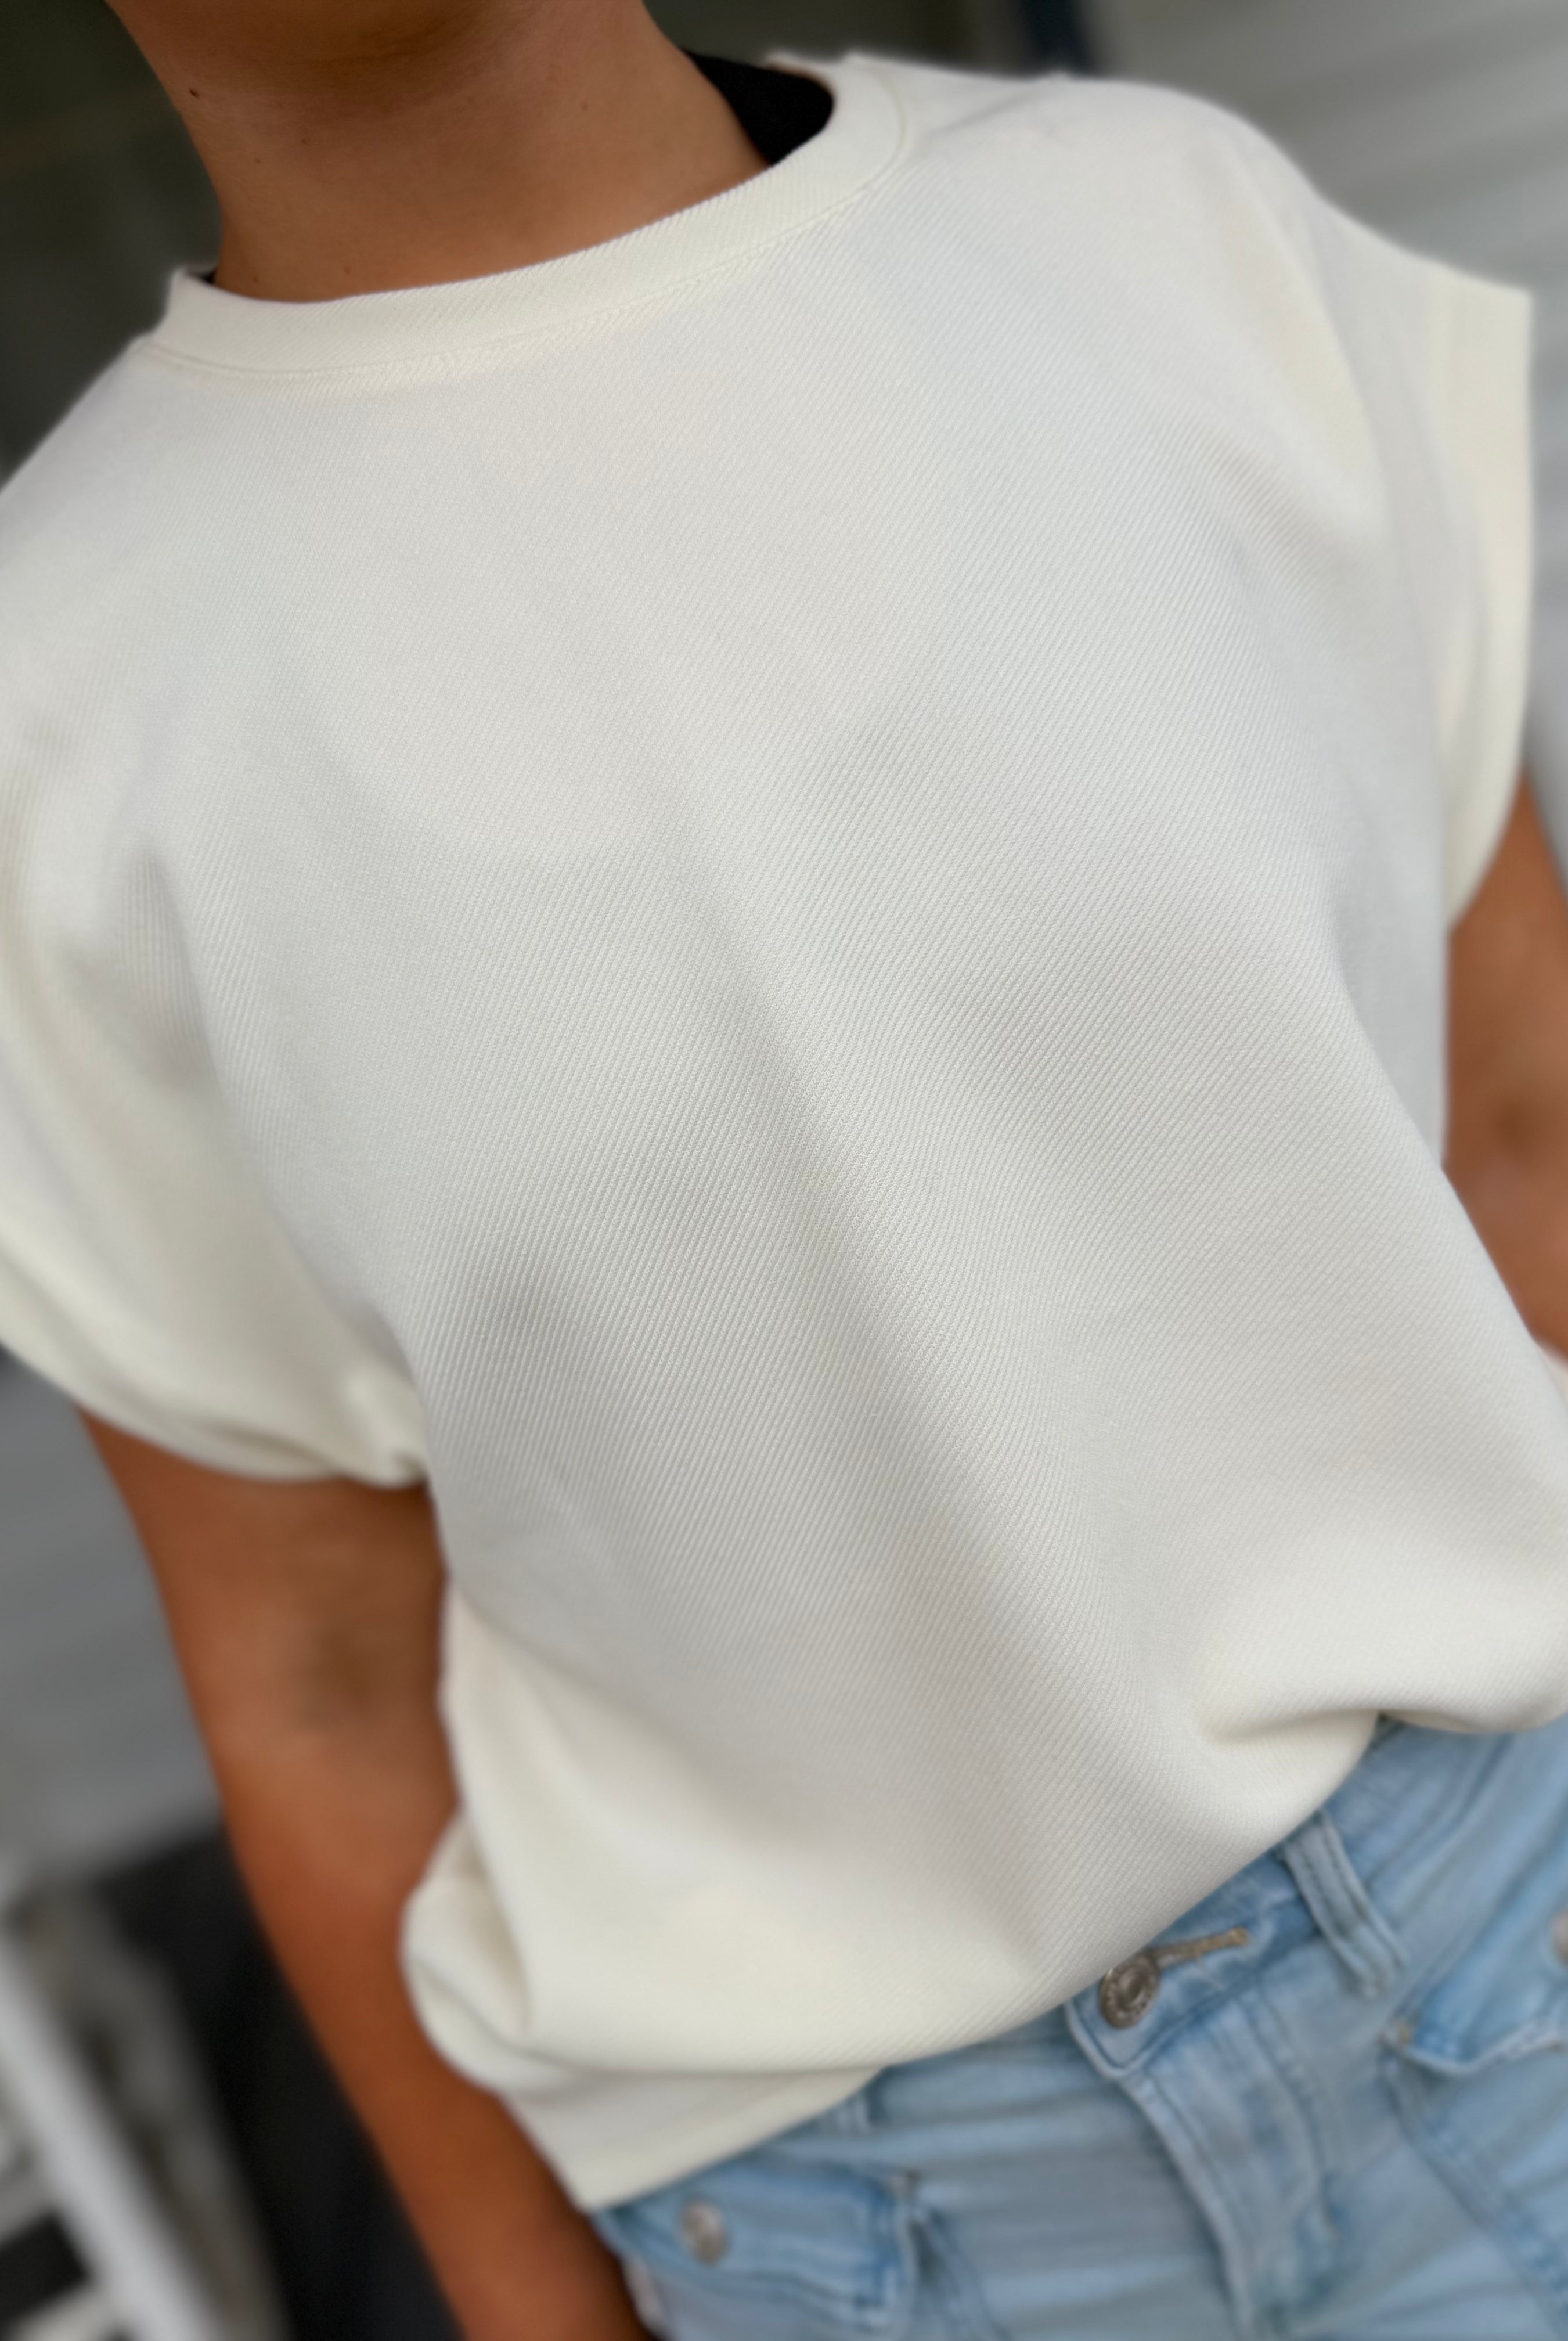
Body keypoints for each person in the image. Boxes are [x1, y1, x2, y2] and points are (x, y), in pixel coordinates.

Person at [5, 1, 1568, 2332]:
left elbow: (1530, 1142)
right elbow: (319, 1681)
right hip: (866, 2234)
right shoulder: (52, 714)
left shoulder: (1170, 237)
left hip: (1518, 1944)